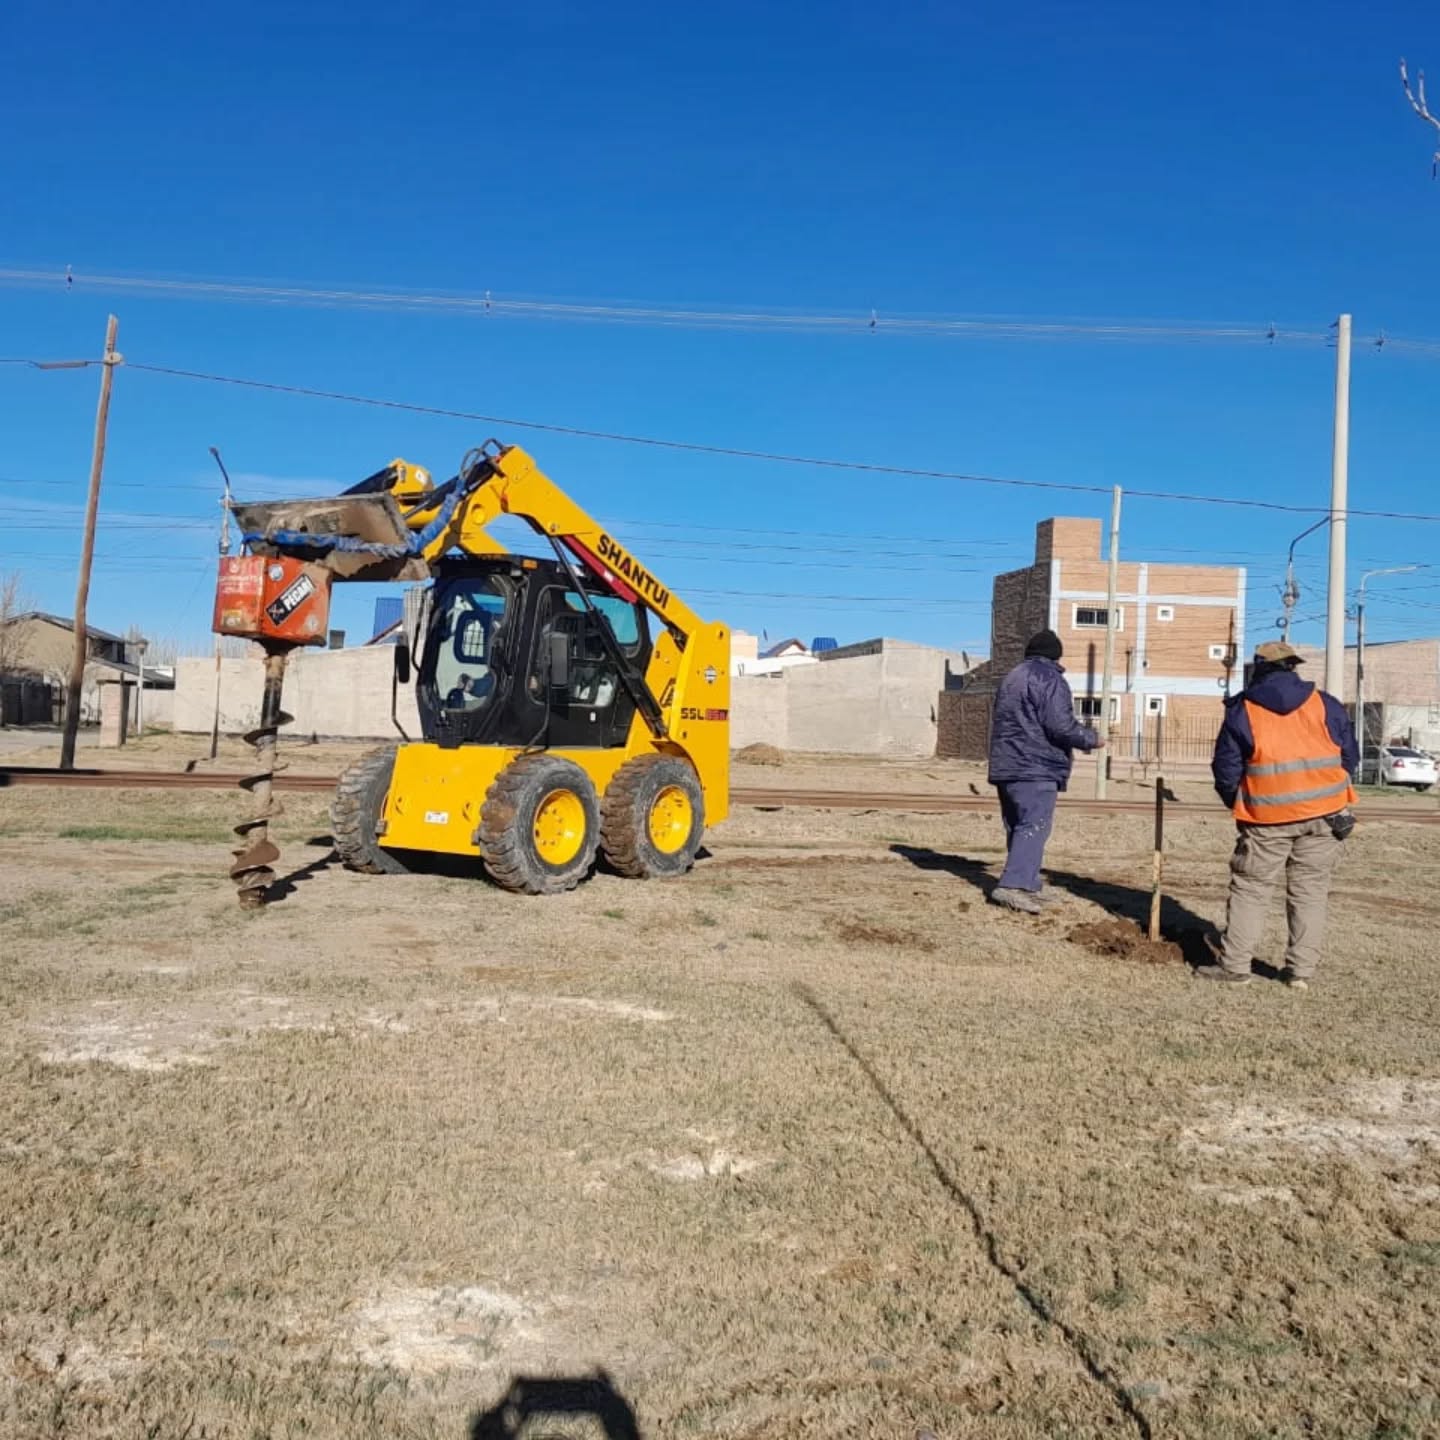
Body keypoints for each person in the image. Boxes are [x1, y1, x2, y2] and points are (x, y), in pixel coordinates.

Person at [1196, 640, 1357, 989]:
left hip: (1266, 820)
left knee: (1251, 889)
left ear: (1259, 667)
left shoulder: (1243, 710)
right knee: (1309, 893)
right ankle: (1300, 973)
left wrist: (1240, 803)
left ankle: (1235, 967)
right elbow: (1349, 756)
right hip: (1325, 816)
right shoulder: (1325, 704)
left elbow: (1226, 768)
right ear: (1292, 666)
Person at [987, 629, 1106, 914]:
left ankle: (1026, 883)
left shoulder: (1012, 677)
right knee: (1033, 825)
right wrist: (1091, 739)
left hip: (1006, 764)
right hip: (1035, 766)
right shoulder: (1050, 679)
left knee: (1018, 826)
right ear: (1056, 655)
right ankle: (1013, 886)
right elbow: (1060, 725)